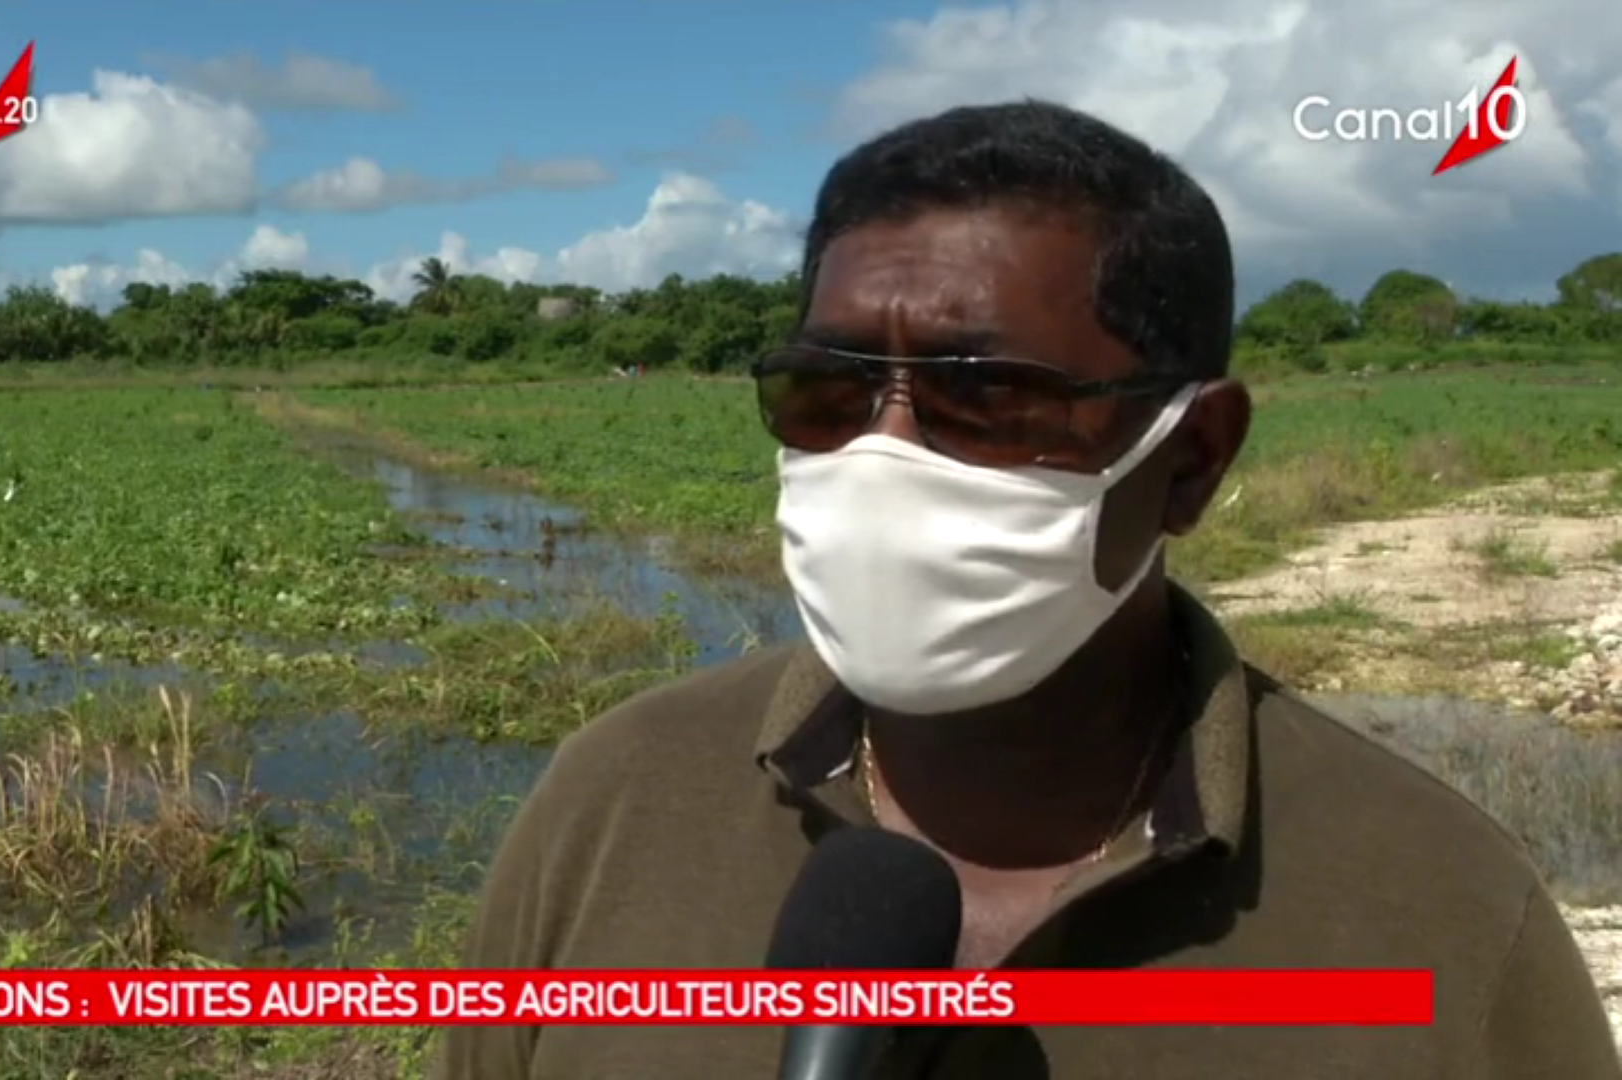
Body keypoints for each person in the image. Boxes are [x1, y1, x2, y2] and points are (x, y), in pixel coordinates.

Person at [432, 101, 1620, 1079]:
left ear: (1192, 458)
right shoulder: (615, 803)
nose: (882, 459)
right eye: (826, 395)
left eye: (990, 397)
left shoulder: (1443, 913)